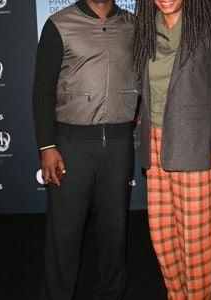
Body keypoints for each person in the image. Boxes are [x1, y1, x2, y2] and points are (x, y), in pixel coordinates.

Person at [132, 0, 211, 299]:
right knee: (162, 232)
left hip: (195, 140)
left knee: (196, 236)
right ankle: (176, 295)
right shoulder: (144, 25)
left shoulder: (210, 22)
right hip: (154, 141)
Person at [33, 0, 138, 299]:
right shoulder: (59, 24)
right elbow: (42, 89)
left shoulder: (133, 25)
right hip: (70, 145)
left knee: (114, 232)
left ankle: (113, 293)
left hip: (118, 145)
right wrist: (47, 145)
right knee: (63, 234)